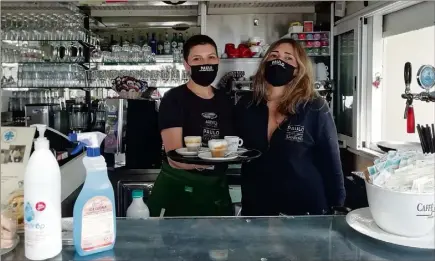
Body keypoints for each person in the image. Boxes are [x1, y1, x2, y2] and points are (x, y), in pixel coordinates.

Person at [234, 38, 346, 216]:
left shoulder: (314, 107)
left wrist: (337, 207)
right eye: (274, 55)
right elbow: (230, 145)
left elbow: (331, 163)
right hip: (257, 208)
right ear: (265, 63)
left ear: (297, 70)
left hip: (304, 210)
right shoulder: (247, 104)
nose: (280, 61)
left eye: (288, 58)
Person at [147, 35, 234, 217]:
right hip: (179, 191)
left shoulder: (225, 100)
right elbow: (175, 157)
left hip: (216, 190)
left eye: (211, 57)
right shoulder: (174, 98)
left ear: (218, 60)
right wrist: (209, 163)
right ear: (187, 65)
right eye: (197, 59)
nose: (206, 63)